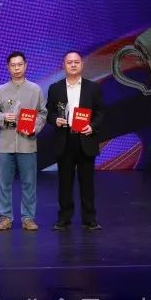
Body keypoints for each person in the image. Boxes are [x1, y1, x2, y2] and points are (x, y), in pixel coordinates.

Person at [45, 51, 106, 231]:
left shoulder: (93, 87)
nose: (73, 65)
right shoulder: (55, 88)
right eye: (69, 62)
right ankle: (64, 218)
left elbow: (101, 112)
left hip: (85, 138)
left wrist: (92, 127)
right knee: (65, 182)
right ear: (63, 65)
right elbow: (49, 112)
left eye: (76, 62)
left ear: (82, 64)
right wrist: (55, 120)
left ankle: (89, 219)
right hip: (64, 139)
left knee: (87, 182)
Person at [0, 51, 46, 231]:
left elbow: (42, 113)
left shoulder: (35, 89)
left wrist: (34, 128)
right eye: (13, 65)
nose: (16, 68)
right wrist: (3, 117)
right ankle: (5, 217)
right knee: (4, 183)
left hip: (27, 143)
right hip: (5, 144)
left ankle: (28, 218)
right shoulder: (0, 90)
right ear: (8, 67)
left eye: (20, 65)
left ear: (25, 65)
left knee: (29, 183)